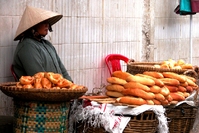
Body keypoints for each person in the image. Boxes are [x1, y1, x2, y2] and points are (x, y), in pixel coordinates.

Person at [12, 6, 73, 82]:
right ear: (33, 27)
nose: (47, 25)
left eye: (48, 22)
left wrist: (71, 85)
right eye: (43, 22)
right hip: (41, 92)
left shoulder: (47, 44)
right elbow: (40, 78)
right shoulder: (27, 46)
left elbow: (62, 70)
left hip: (57, 90)